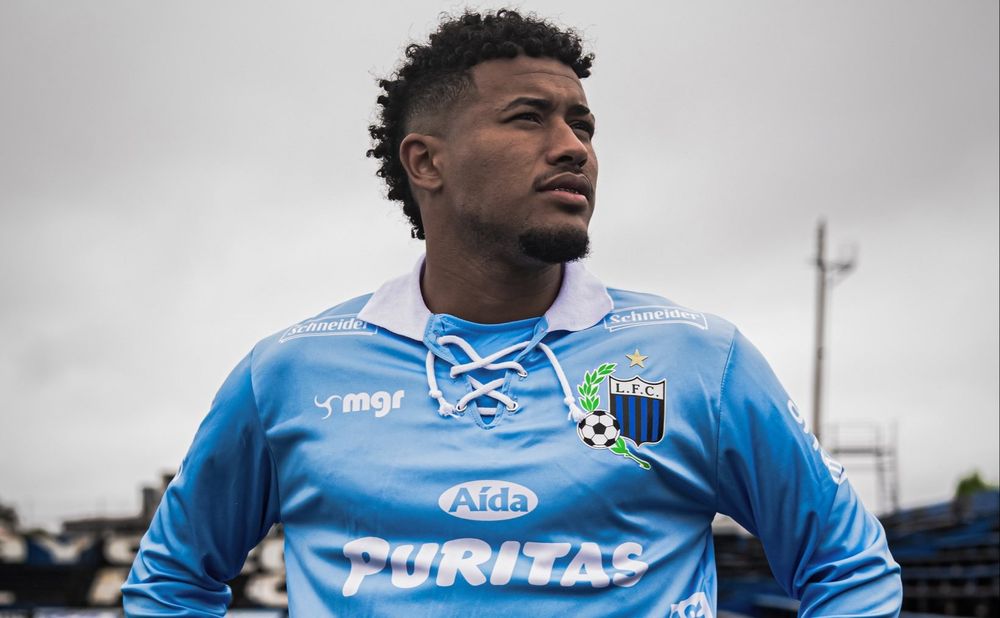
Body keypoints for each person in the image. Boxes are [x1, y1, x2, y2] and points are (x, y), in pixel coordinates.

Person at [122, 8, 902, 616]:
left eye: (583, 124)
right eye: (530, 117)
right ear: (426, 161)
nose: (573, 147)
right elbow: (174, 581)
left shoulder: (698, 359)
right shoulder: (288, 374)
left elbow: (848, 567)